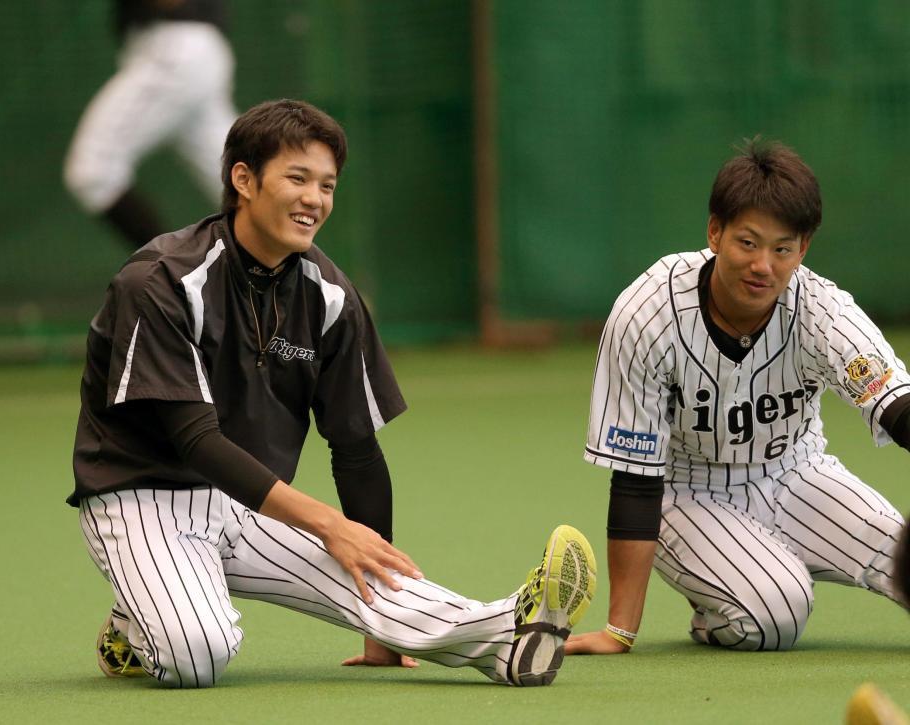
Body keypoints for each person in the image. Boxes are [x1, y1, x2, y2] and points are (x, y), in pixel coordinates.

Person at [67, 98, 596, 687]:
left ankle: (508, 636)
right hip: (140, 496)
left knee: (369, 582)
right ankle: (134, 623)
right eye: (297, 178)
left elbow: (356, 449)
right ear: (243, 179)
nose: (314, 199)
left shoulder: (330, 296)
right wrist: (327, 524)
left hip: (246, 504)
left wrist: (378, 628)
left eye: (327, 185)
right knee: (197, 654)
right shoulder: (161, 280)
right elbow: (196, 441)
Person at [567, 138, 910, 655]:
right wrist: (620, 629)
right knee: (775, 614)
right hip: (685, 495)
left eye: (782, 248)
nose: (763, 266)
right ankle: (718, 606)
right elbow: (637, 480)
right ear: (714, 232)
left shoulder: (821, 311)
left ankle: (752, 562)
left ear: (803, 248)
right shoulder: (646, 315)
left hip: (798, 474)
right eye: (748, 243)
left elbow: (897, 406)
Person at [64, 0, 237, 248]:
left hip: (174, 48)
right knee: (244, 187)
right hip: (192, 49)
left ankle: (171, 278)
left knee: (94, 169)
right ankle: (292, 279)